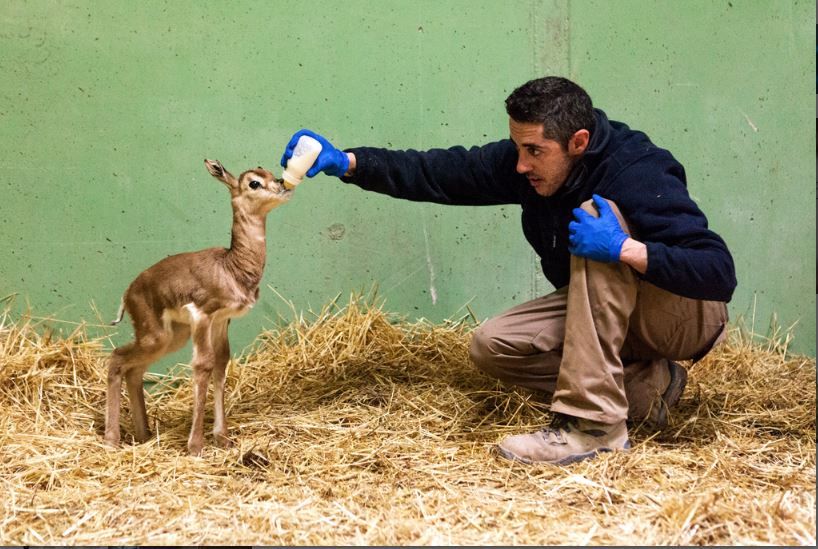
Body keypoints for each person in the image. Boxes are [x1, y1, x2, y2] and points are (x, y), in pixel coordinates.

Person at [279, 76, 736, 465]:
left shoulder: (637, 170)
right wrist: (349, 163)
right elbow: (439, 172)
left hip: (682, 312)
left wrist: (625, 250)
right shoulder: (529, 165)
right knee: (494, 345)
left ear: (578, 142)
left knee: (601, 222)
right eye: (518, 147)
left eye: (534, 151)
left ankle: (594, 428)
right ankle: (651, 387)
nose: (521, 164)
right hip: (610, 309)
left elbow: (718, 271)